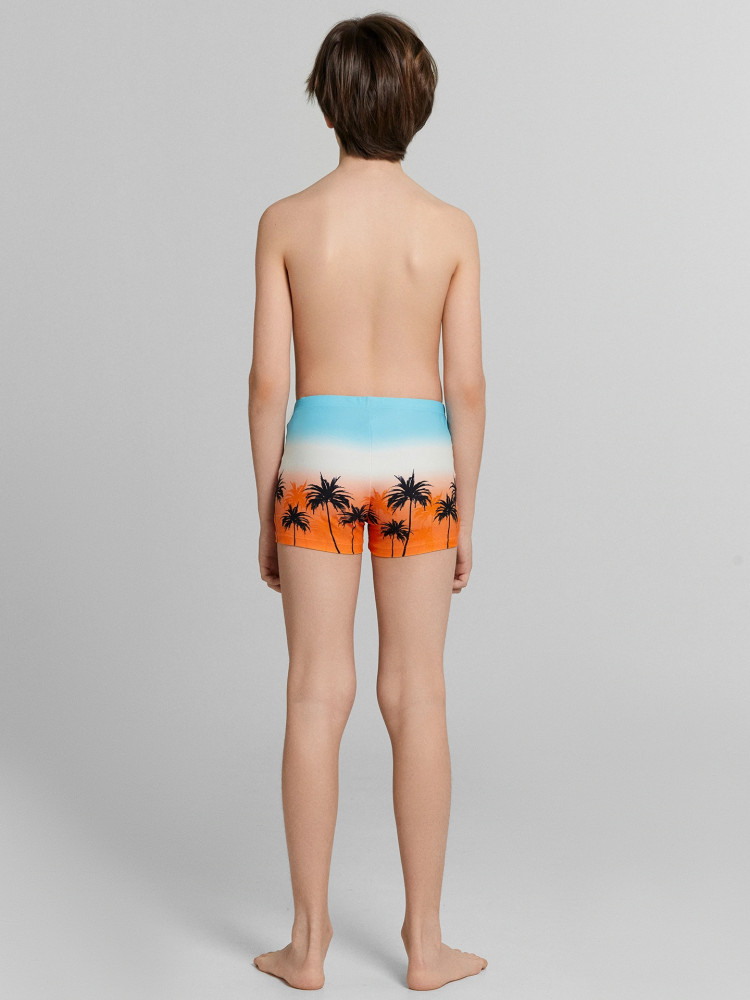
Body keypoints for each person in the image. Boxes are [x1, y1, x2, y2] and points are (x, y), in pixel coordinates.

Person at [247, 12, 486, 992]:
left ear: (327, 103)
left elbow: (268, 382)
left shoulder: (286, 222)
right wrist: (467, 505)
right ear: (418, 107)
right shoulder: (451, 229)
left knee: (317, 689)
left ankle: (306, 946)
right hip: (422, 459)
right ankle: (425, 944)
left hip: (318, 460)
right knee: (417, 691)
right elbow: (467, 385)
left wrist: (266, 505)